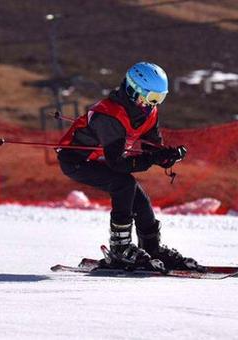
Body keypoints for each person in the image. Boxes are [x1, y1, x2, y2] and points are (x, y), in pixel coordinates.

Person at [57, 61, 202, 272]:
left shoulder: (149, 113)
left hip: (101, 159)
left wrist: (166, 156)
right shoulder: (109, 116)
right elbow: (118, 164)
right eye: (152, 97)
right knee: (123, 183)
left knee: (138, 197)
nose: (154, 104)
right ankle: (120, 248)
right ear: (134, 90)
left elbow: (152, 148)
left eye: (160, 98)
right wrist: (153, 159)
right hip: (76, 161)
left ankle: (152, 249)